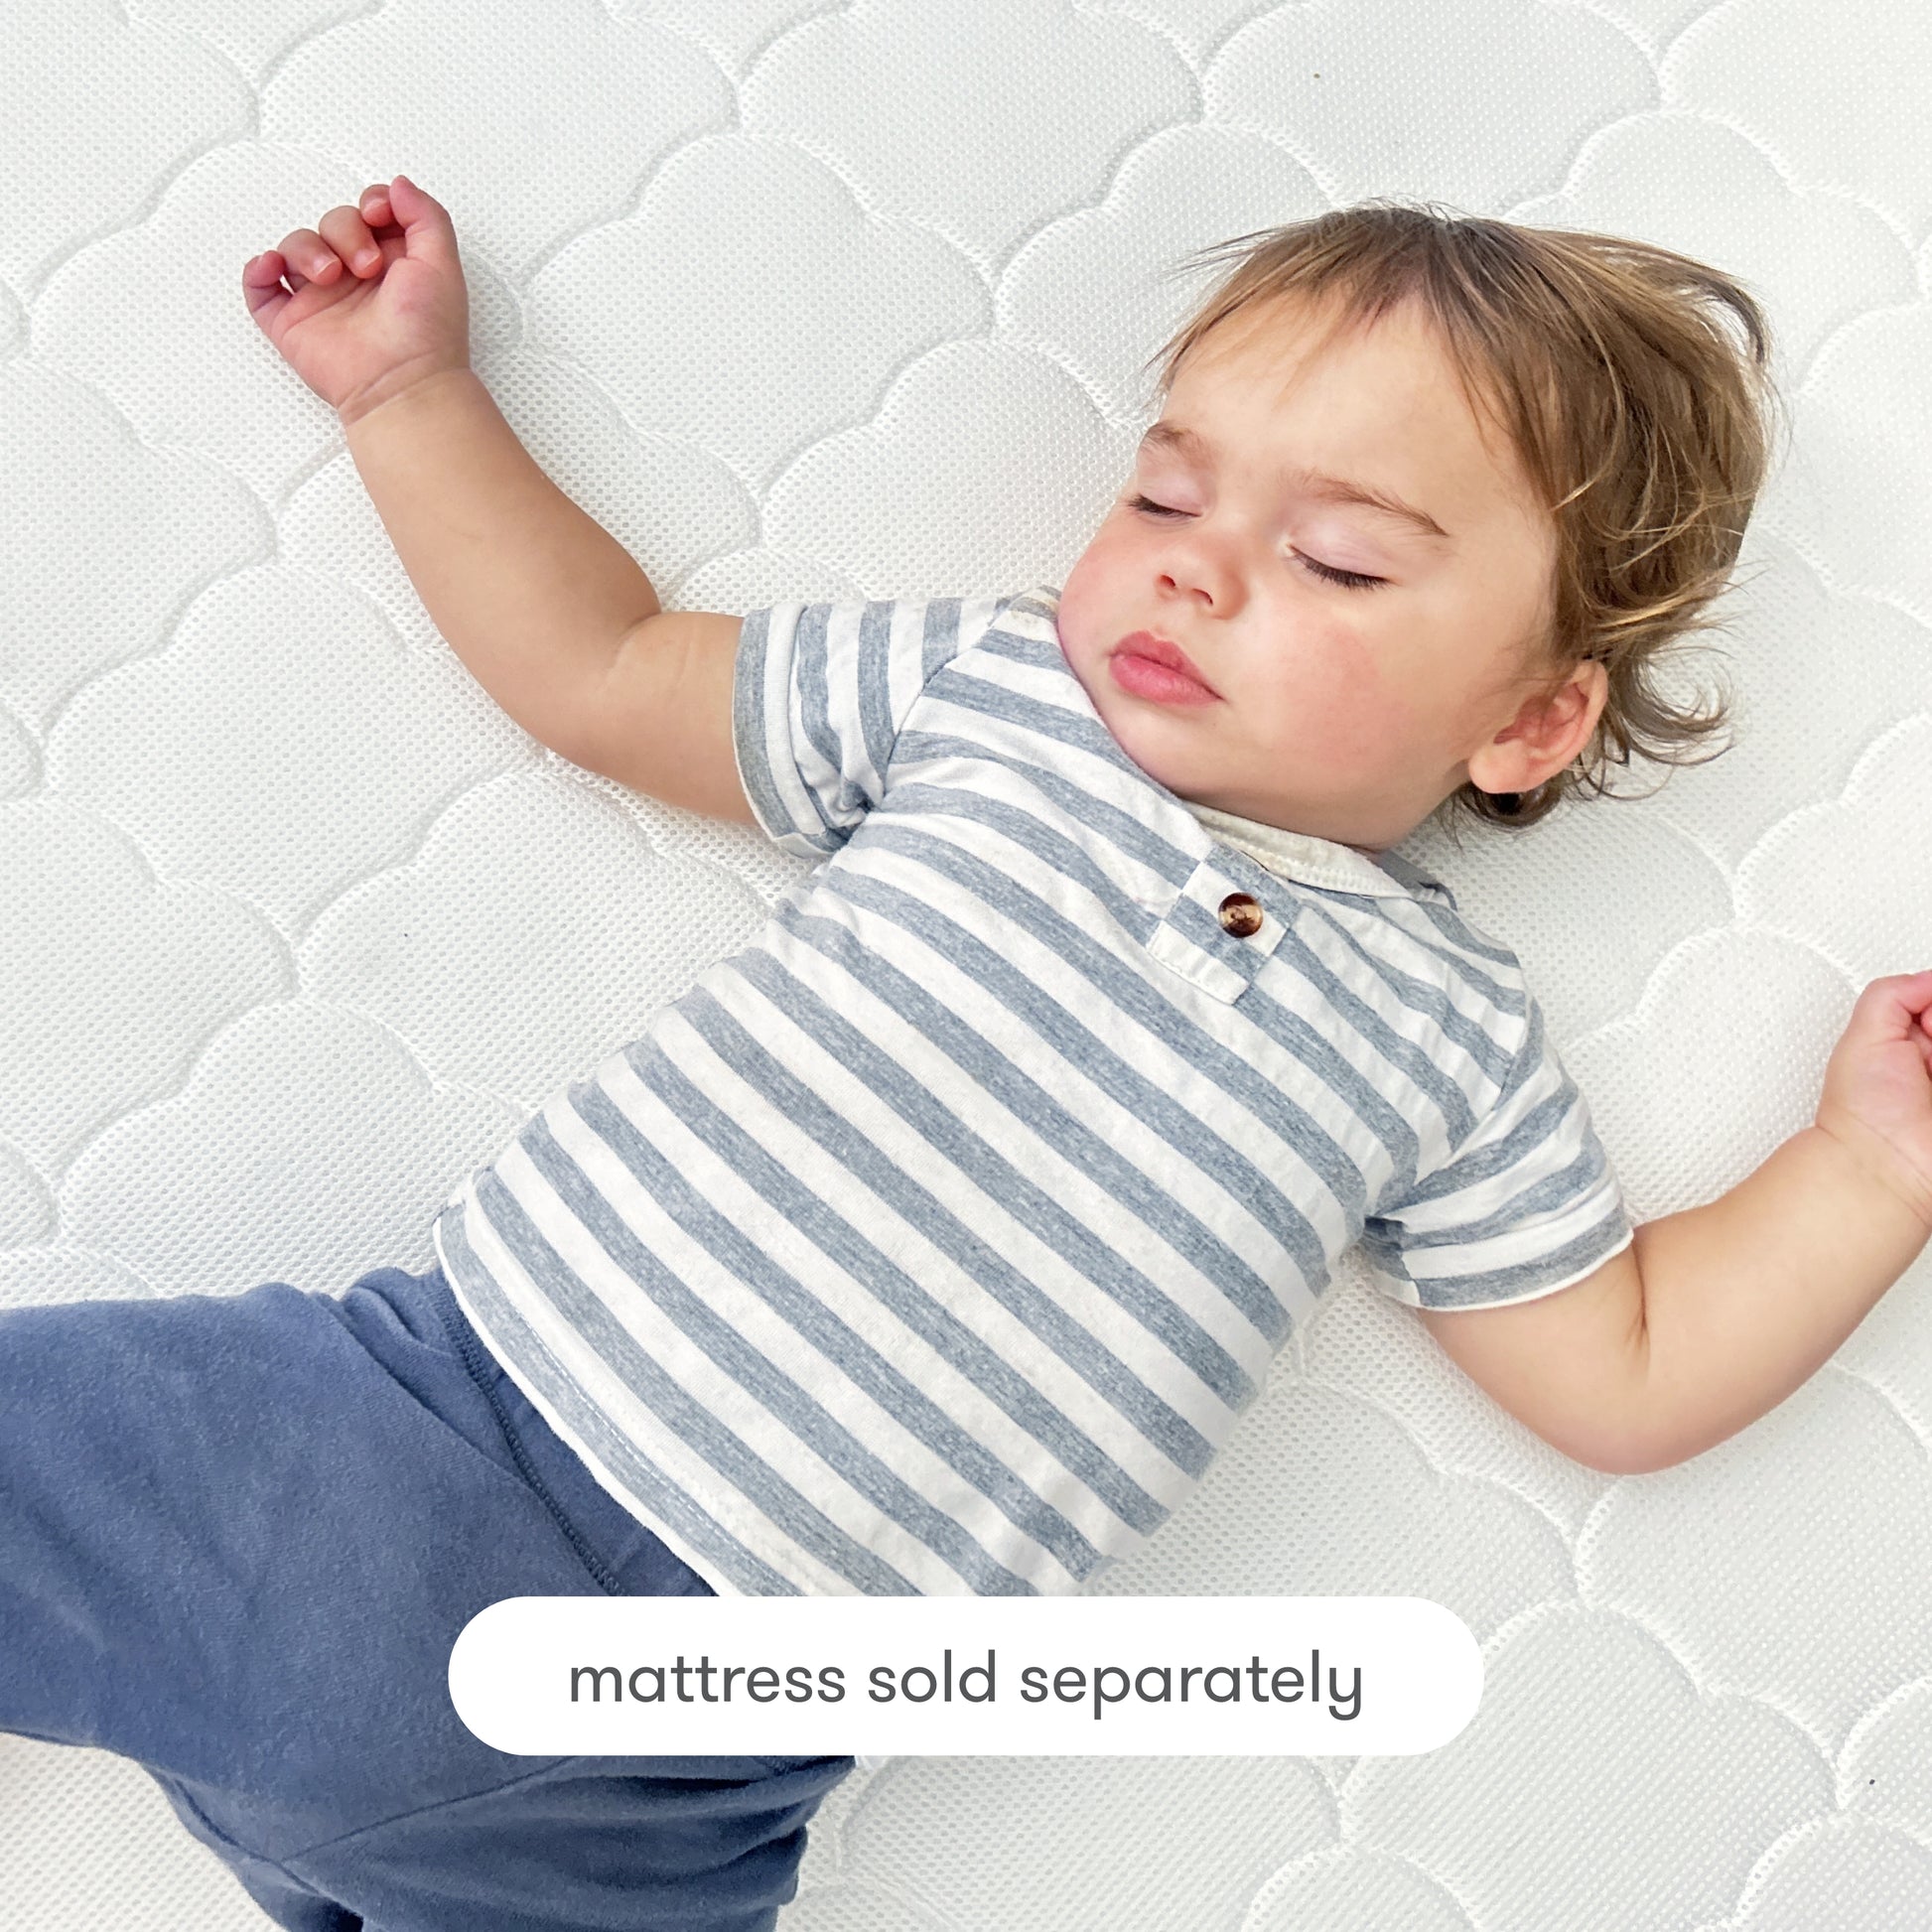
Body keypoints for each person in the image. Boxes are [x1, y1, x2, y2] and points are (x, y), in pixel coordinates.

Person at [6, 176, 1930, 1931]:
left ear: (1525, 723)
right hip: (394, 1452)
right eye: (1162, 496)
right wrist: (408, 396)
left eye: (1337, 559)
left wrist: (1867, 1166)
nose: (1190, 569)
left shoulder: (1448, 1041)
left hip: (679, 1767)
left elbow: (1622, 1365)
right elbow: (605, 669)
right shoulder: (996, 696)